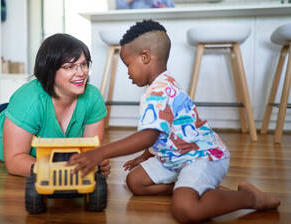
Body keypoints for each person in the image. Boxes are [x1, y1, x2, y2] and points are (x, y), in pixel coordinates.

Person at [67, 20, 280, 223]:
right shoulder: (162, 85)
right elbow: (166, 132)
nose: (128, 73)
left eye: (128, 65)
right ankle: (194, 188)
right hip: (176, 157)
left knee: (185, 210)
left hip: (201, 156)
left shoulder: (159, 92)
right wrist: (145, 156)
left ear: (145, 57)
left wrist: (100, 152)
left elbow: (148, 135)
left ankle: (249, 198)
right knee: (135, 181)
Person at [0, 33, 111, 178]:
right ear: (49, 70)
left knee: (27, 111)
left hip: (24, 115)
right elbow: (14, 161)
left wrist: (95, 162)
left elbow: (91, 151)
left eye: (84, 64)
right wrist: (56, 171)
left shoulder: (92, 97)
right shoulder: (29, 100)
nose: (81, 73)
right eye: (70, 67)